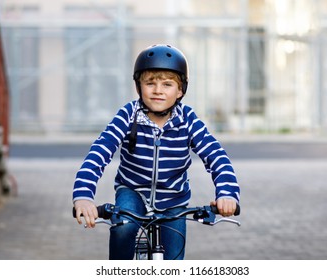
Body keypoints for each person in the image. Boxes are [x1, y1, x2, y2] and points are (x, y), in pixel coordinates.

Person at [73, 44, 240, 260]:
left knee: (173, 260)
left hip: (174, 200)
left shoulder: (187, 120)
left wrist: (227, 194)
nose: (158, 90)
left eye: (167, 84)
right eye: (150, 83)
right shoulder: (128, 115)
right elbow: (99, 153)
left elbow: (216, 156)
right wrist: (83, 196)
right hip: (132, 192)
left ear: (180, 90)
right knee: (123, 227)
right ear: (138, 87)